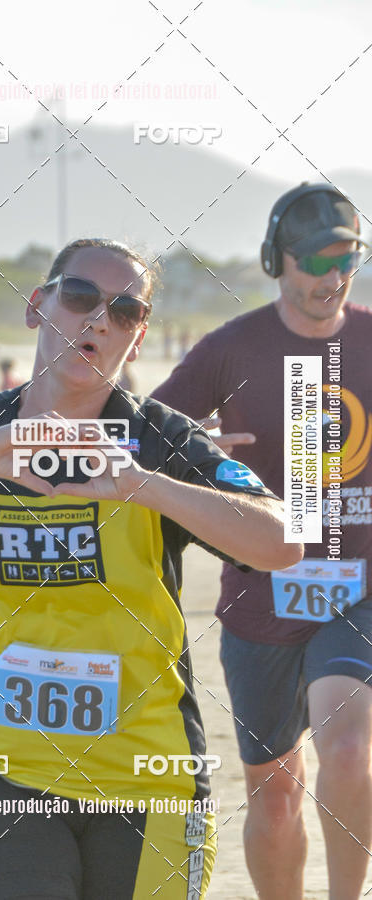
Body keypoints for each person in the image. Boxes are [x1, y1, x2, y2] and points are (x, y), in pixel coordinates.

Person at [0, 238, 300, 898]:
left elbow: (284, 541)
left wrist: (144, 486)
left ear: (138, 337)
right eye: (81, 295)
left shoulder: (159, 440)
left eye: (124, 310)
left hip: (147, 772)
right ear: (37, 305)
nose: (98, 319)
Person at [152, 184, 372, 900]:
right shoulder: (231, 348)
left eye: (346, 258)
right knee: (275, 797)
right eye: (314, 260)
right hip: (260, 597)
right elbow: (144, 439)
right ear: (277, 260)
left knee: (348, 749)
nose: (331, 276)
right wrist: (197, 451)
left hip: (359, 590)